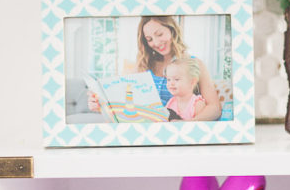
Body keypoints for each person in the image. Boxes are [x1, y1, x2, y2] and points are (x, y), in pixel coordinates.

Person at [90, 16, 222, 120]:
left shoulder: (195, 63)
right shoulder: (143, 65)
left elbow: (215, 108)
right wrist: (101, 104)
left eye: (159, 34)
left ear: (172, 30)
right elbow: (123, 102)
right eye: (149, 39)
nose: (156, 43)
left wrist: (186, 125)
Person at [165, 56, 207, 121]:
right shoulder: (170, 103)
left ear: (192, 82)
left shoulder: (197, 104)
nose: (171, 83)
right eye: (168, 79)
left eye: (176, 79)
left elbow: (201, 127)